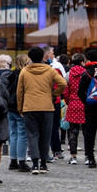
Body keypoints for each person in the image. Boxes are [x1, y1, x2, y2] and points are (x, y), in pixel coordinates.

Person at [16, 46, 67, 174]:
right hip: (47, 107)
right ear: (42, 56)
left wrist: (20, 107)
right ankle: (44, 164)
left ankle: (34, 164)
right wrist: (54, 94)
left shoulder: (24, 71)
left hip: (30, 107)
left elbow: (20, 92)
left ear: (30, 57)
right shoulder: (50, 70)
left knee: (32, 135)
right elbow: (63, 83)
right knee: (45, 135)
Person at [6, 54, 31, 172]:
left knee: (13, 134)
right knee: (22, 134)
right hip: (19, 107)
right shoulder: (24, 75)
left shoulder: (11, 74)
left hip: (10, 106)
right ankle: (22, 160)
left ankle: (13, 160)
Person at [63, 53, 86, 165]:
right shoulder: (86, 73)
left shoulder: (69, 74)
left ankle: (73, 156)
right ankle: (88, 156)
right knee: (87, 131)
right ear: (82, 61)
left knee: (72, 131)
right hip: (85, 104)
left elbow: (65, 90)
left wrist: (68, 100)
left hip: (73, 103)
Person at [43, 46, 66, 161]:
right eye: (52, 53)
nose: (53, 55)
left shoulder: (29, 69)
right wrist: (56, 95)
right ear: (47, 55)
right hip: (53, 101)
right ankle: (55, 150)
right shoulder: (54, 68)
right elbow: (62, 83)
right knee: (53, 127)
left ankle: (38, 153)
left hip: (39, 101)